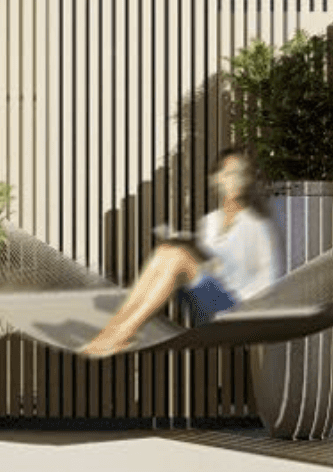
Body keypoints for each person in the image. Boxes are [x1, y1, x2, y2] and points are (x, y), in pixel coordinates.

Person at [78, 147, 283, 358]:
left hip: (236, 308)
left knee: (177, 256)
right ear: (216, 179)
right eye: (229, 173)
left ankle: (122, 334)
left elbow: (269, 281)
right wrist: (203, 258)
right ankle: (111, 330)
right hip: (204, 300)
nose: (236, 180)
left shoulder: (257, 226)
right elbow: (205, 263)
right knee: (166, 250)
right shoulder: (210, 222)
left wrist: (236, 289)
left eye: (241, 174)